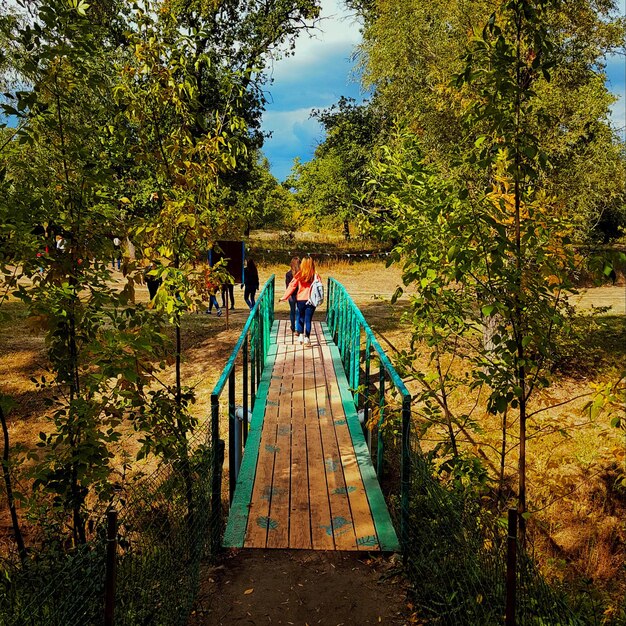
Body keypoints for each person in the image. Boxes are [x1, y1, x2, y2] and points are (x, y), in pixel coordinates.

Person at [280, 256, 320, 346]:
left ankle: (301, 335)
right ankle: (307, 338)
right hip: (311, 300)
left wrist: (285, 297)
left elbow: (292, 286)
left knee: (301, 317)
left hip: (301, 299)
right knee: (308, 320)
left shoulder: (299, 274)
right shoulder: (315, 275)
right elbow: (319, 287)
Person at [285, 257, 300, 332]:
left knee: (292, 311)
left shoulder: (288, 274)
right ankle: (298, 327)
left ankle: (293, 326)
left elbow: (287, 286)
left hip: (291, 295)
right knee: (299, 311)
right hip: (300, 294)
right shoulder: (301, 274)